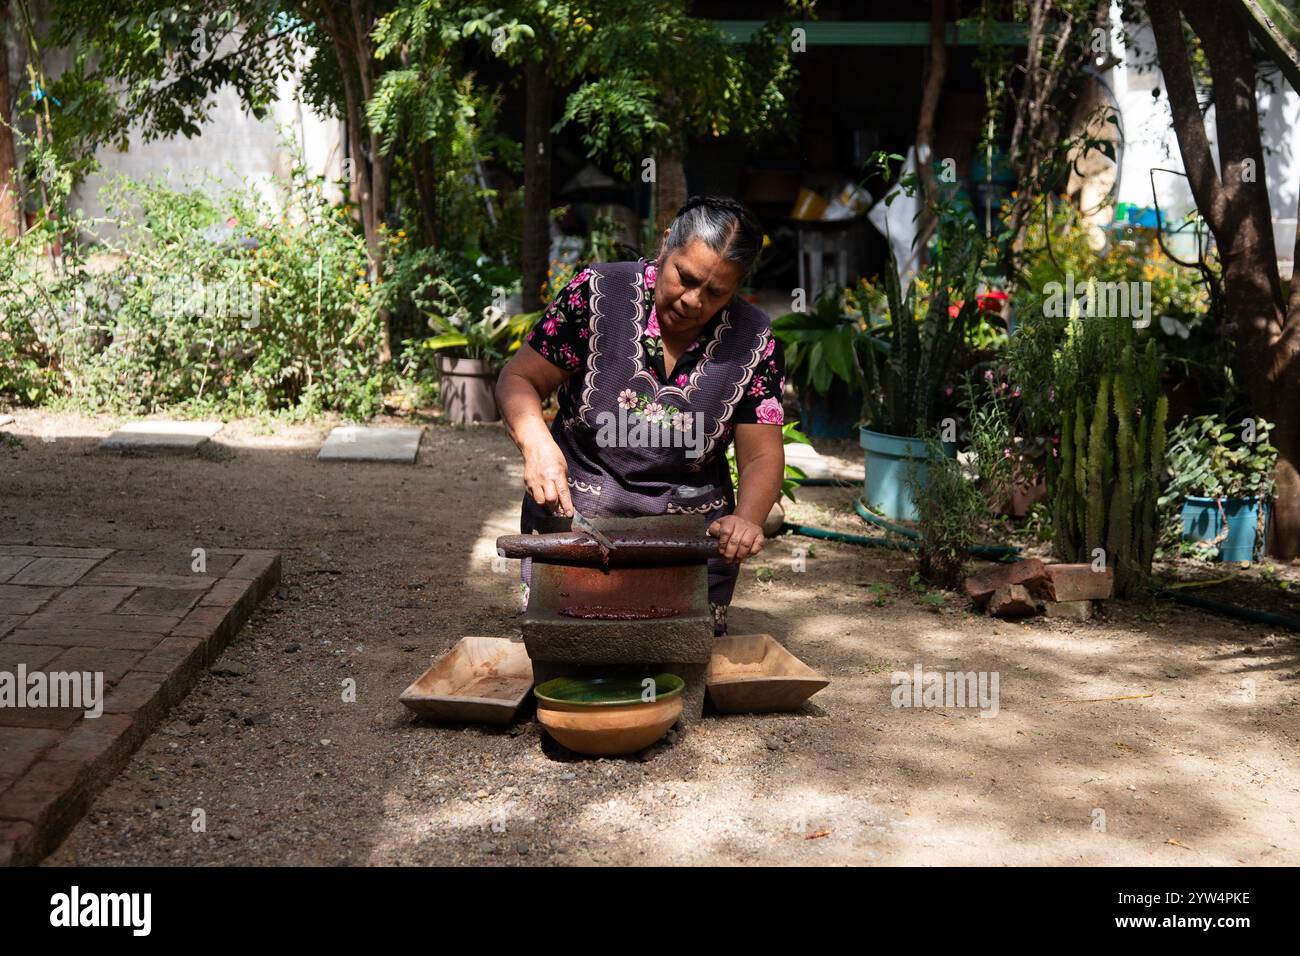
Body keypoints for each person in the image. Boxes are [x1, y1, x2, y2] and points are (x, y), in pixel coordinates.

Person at [496, 195, 787, 635]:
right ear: (665, 244)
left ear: (738, 285)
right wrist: (537, 447)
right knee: (573, 643)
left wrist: (746, 520)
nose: (692, 300)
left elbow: (760, 455)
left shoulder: (754, 340)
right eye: (684, 277)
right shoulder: (596, 293)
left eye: (715, 293)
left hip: (689, 542)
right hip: (576, 521)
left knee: (671, 654)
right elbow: (519, 379)